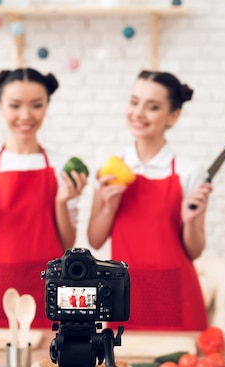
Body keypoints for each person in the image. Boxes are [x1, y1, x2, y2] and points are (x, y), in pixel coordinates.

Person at [0, 68, 88, 329]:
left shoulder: (62, 165)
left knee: (51, 365)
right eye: (15, 105)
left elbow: (67, 245)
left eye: (36, 105)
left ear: (47, 107)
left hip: (49, 286)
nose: (26, 116)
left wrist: (62, 202)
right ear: (0, 106)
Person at [87, 70, 211, 331]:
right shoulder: (109, 168)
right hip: (126, 296)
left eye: (152, 107)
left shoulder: (189, 171)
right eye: (134, 102)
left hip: (176, 295)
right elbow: (95, 240)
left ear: (173, 116)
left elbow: (195, 251)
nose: (138, 113)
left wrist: (189, 221)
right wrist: (110, 207)